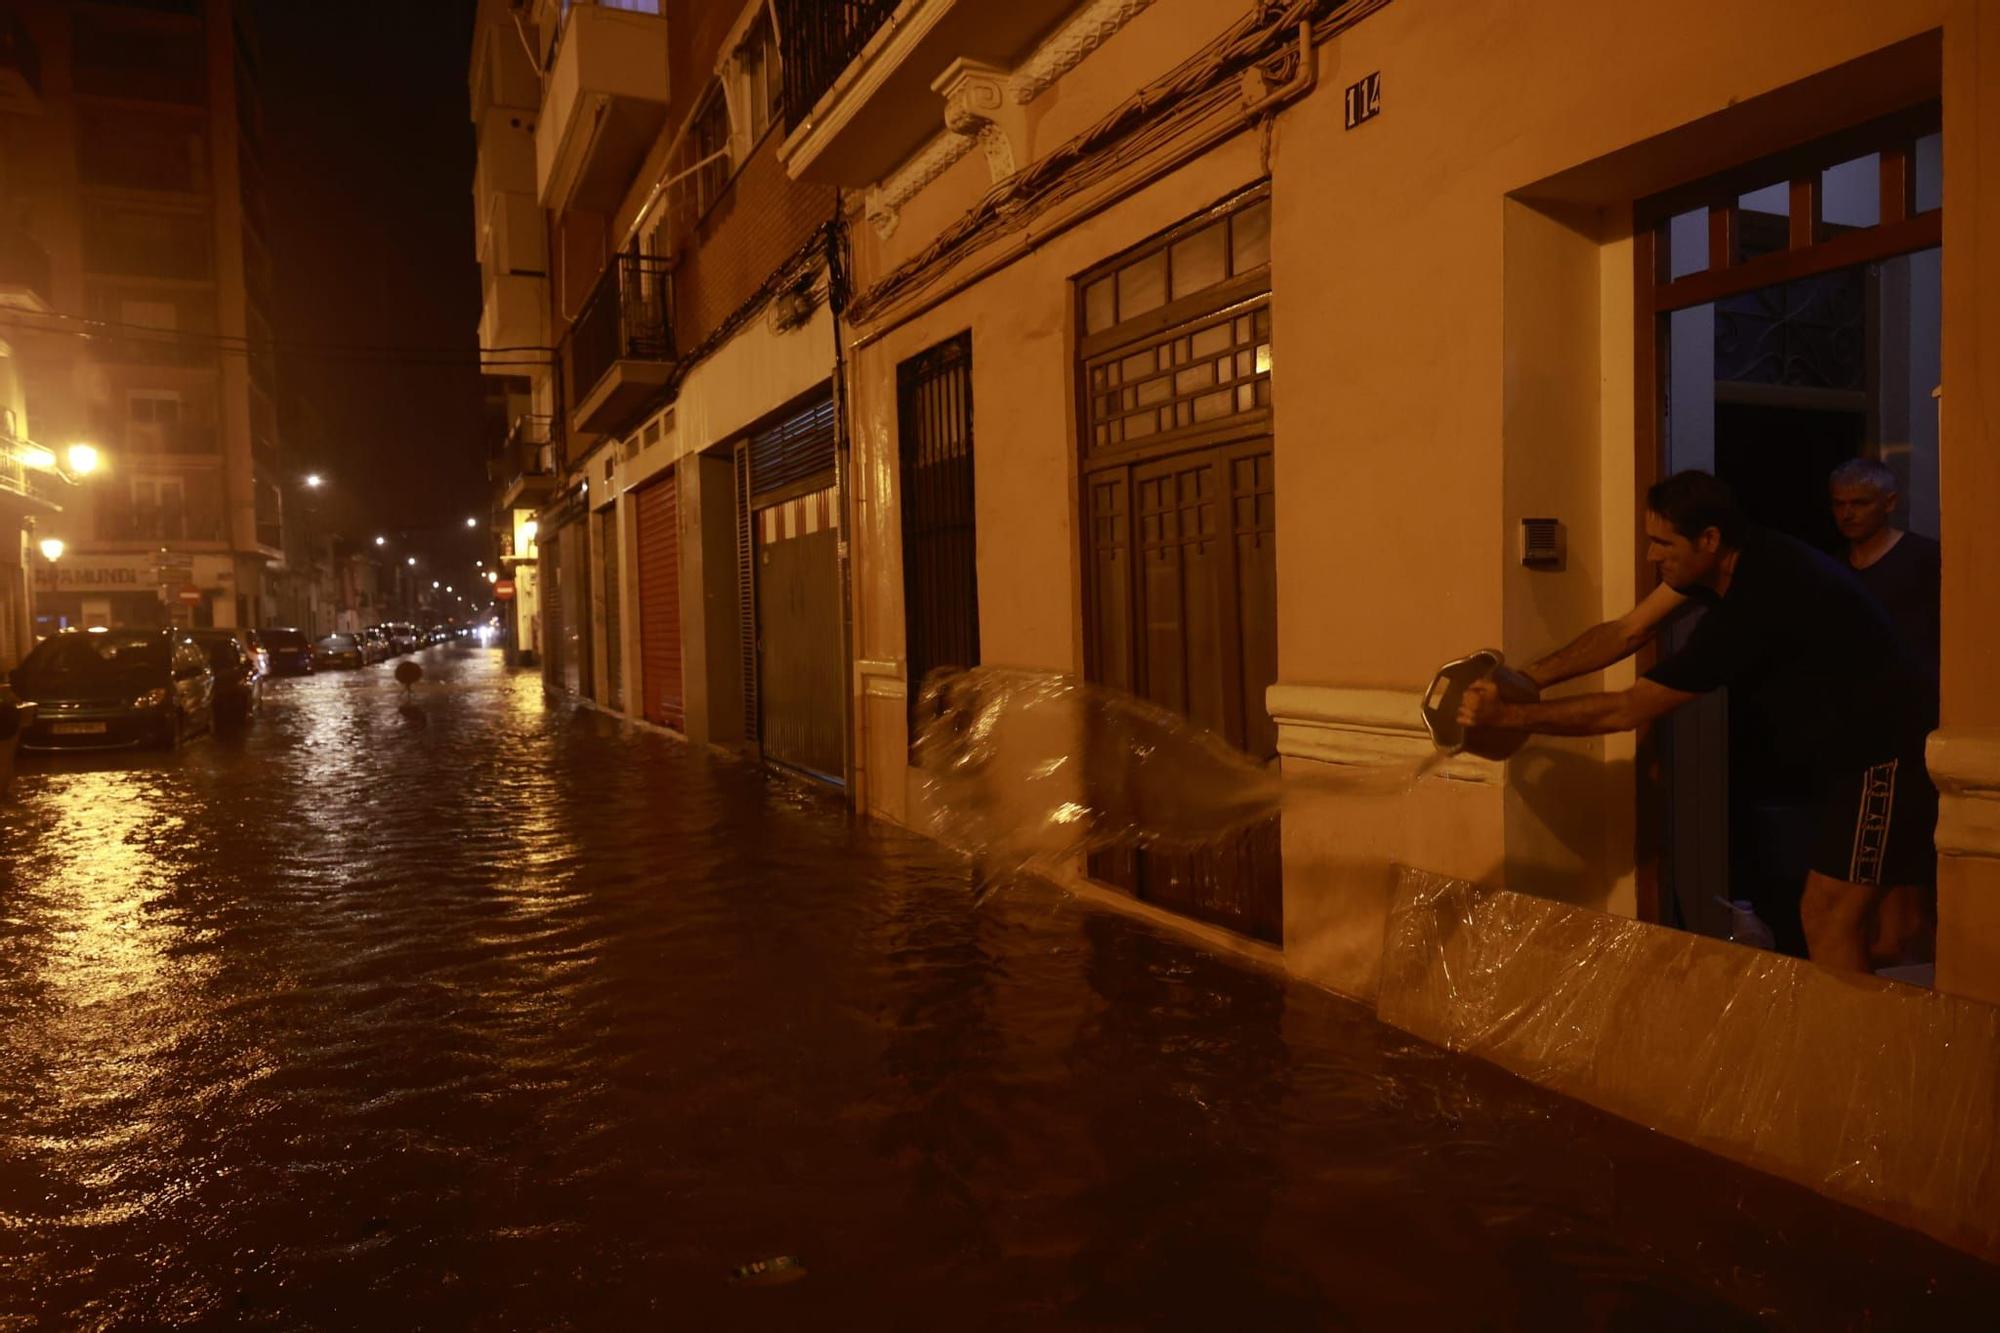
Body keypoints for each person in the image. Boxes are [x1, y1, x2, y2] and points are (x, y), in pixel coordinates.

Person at [1458, 470, 1934, 973]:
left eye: (1663, 543)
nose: (1651, 556)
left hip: (1883, 755)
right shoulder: (1732, 561)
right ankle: (1903, 1039)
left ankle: (1848, 1051)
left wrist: (1511, 717)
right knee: (1894, 934)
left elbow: (1627, 708)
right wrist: (1524, 679)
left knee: (1827, 918)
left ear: (1709, 539)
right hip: (1847, 755)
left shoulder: (1758, 603)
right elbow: (1627, 631)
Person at [1830, 456, 1941, 721]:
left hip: (1914, 707)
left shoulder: (1925, 559)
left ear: (1889, 503)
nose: (1847, 514)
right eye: (1838, 504)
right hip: (1855, 709)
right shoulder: (1833, 568)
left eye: (1860, 503)